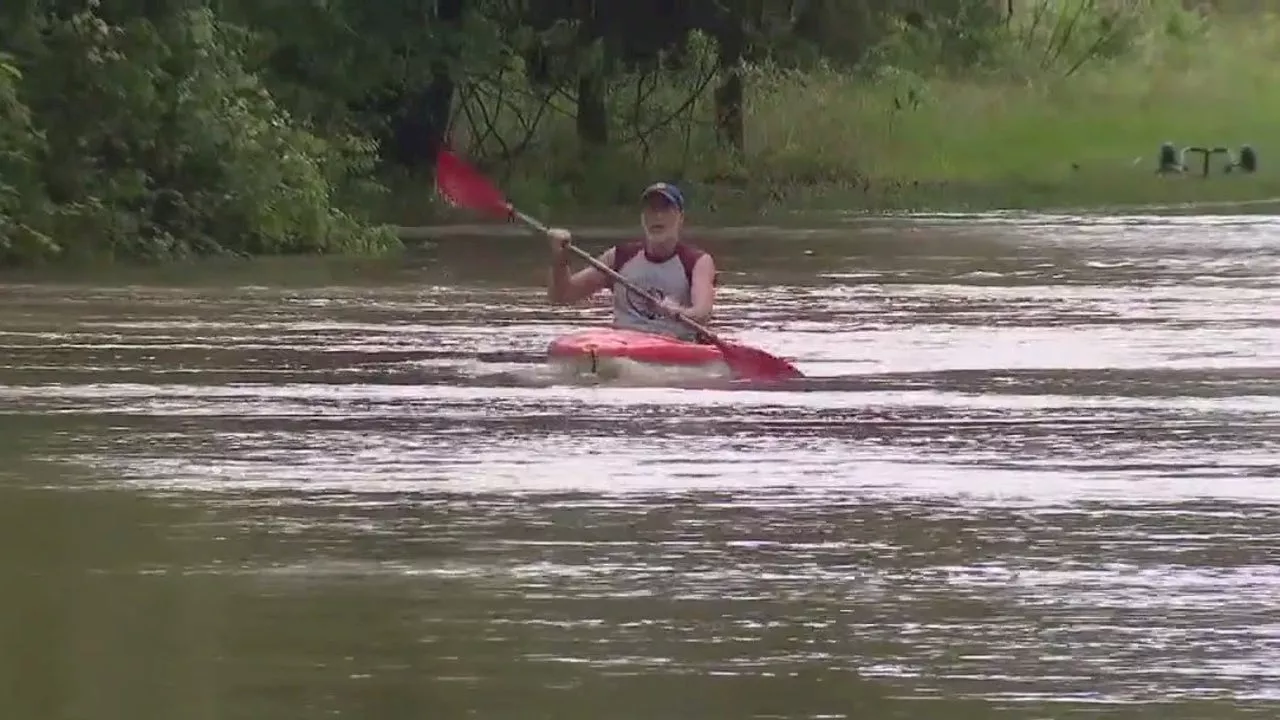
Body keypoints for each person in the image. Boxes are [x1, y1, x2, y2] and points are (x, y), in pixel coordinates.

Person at [545, 182, 716, 342]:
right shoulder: (619, 256)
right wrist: (560, 259)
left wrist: (678, 312)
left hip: (674, 347)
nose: (657, 216)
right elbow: (562, 295)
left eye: (666, 209)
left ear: (681, 217)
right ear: (642, 217)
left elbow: (703, 313)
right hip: (624, 345)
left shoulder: (697, 261)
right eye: (651, 209)